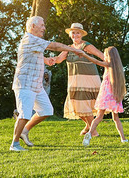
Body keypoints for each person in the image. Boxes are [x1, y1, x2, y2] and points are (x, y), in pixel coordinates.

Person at [10, 16, 84, 151]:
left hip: (36, 85)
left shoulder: (33, 42)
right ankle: (14, 144)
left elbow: (31, 54)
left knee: (47, 110)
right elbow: (54, 46)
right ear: (33, 26)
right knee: (24, 114)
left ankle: (24, 131)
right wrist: (74, 49)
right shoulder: (30, 38)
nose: (44, 28)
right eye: (42, 25)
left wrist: (45, 60)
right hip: (25, 83)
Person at [53, 23, 104, 136]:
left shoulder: (86, 46)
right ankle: (88, 126)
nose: (75, 34)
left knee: (85, 105)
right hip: (74, 80)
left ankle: (93, 131)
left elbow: (101, 55)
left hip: (89, 79)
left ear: (81, 34)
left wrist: (111, 65)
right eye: (73, 32)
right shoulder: (68, 48)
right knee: (76, 106)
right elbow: (58, 59)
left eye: (78, 32)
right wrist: (47, 59)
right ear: (70, 34)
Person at [80, 46, 128, 146]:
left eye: (105, 55)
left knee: (99, 117)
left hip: (105, 95)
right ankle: (123, 139)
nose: (104, 57)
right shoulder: (118, 68)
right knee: (116, 118)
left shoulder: (108, 65)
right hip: (115, 94)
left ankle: (89, 133)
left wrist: (85, 55)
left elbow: (96, 61)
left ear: (109, 56)